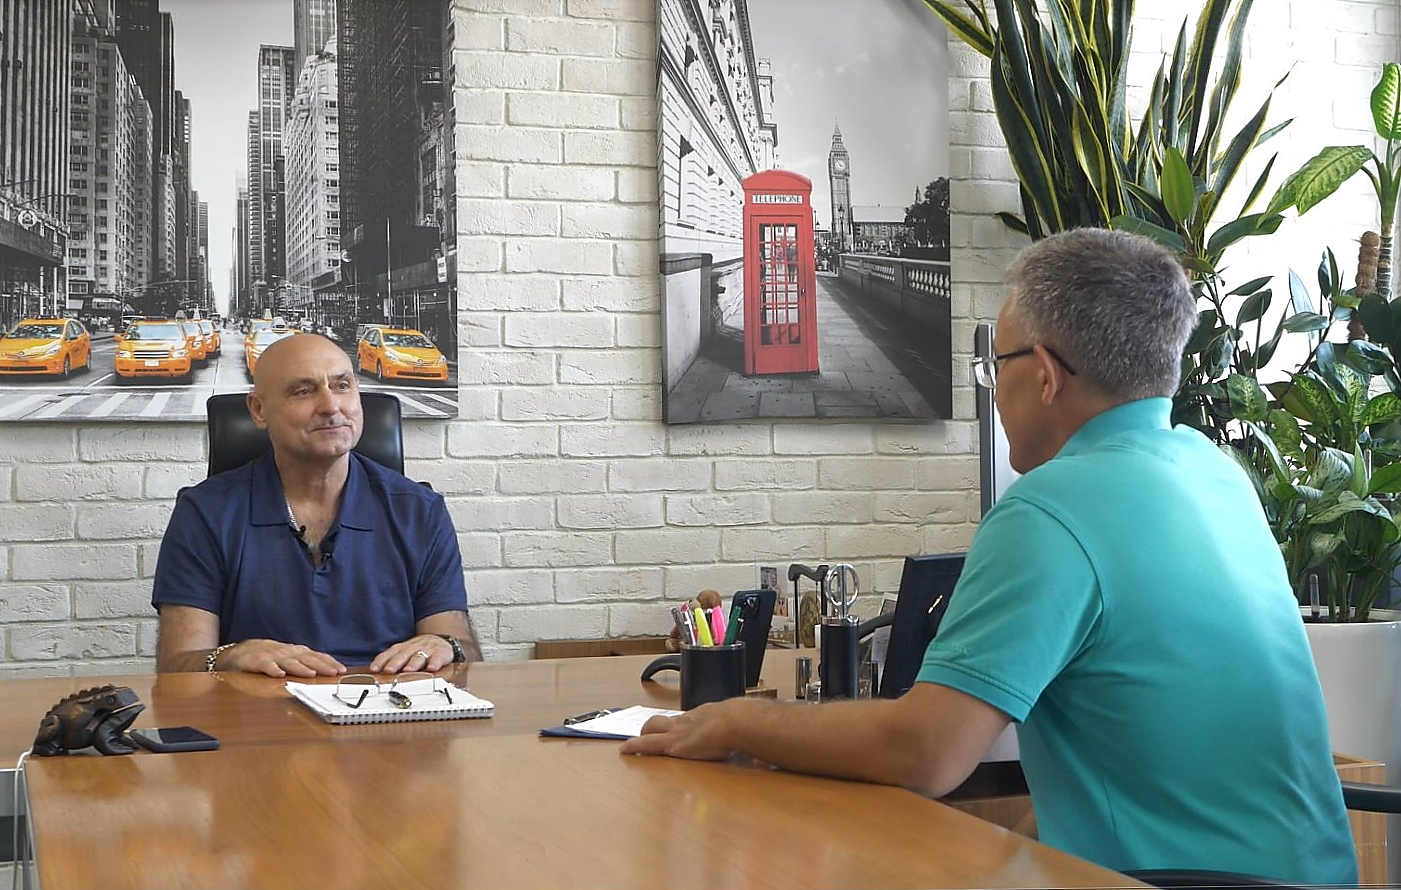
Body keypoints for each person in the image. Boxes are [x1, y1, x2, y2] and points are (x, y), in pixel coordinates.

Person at [623, 228, 1357, 884]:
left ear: (1044, 374)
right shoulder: (1215, 473)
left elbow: (925, 753)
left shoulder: (1050, 508)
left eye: (994, 363)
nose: (993, 386)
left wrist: (732, 721)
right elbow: (1134, 762)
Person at [152, 333, 481, 677]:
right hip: (257, 705)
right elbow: (177, 667)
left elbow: (464, 651)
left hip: (388, 703)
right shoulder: (204, 513)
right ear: (259, 410)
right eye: (303, 391)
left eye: (342, 386)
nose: (331, 406)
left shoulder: (420, 512)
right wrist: (231, 656)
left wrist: (448, 647)